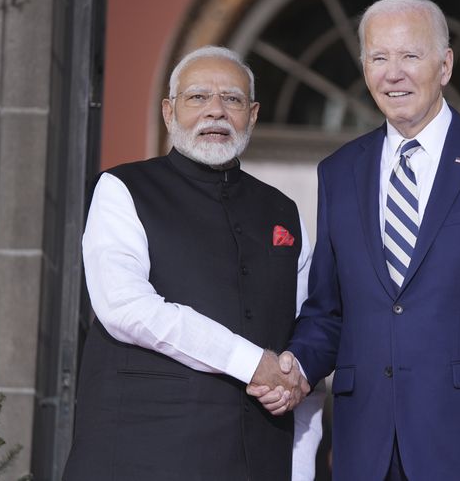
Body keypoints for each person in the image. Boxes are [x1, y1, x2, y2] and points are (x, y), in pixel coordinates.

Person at [252, 0, 460, 480]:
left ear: (445, 65)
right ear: (364, 68)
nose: (392, 74)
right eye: (379, 58)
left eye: (410, 56)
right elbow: (328, 313)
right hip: (364, 450)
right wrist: (295, 366)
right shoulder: (338, 172)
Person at [62, 46, 323, 481]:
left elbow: (299, 353)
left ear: (253, 115)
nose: (216, 112)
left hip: (256, 461)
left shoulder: (283, 211)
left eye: (233, 99)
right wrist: (248, 360)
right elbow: (126, 308)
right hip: (138, 457)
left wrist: (299, 470)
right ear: (168, 112)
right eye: (197, 98)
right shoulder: (123, 188)